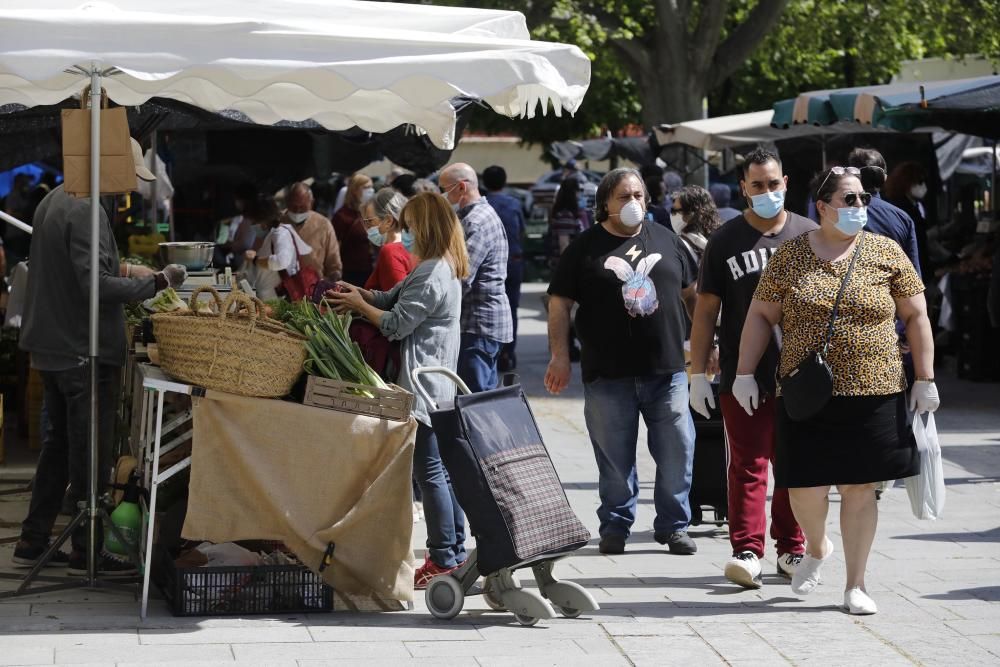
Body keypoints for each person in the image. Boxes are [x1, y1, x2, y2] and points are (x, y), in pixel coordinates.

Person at [734, 166, 939, 615]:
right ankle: (817, 545)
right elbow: (760, 316)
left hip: (876, 389)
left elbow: (917, 316)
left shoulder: (886, 252)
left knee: (860, 486)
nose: (859, 207)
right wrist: (744, 372)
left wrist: (925, 378)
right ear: (822, 207)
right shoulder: (790, 257)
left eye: (864, 199)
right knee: (803, 485)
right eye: (849, 200)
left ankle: (856, 584)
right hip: (807, 392)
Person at [14, 139, 187, 574]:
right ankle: (86, 548)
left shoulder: (57, 197)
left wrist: (126, 270)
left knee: (58, 446)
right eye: (127, 174)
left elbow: (76, 272)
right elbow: (96, 288)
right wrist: (158, 283)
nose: (128, 185)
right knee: (89, 450)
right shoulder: (88, 208)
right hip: (79, 347)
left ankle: (33, 539)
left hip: (54, 345)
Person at [545, 167, 699, 556]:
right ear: (605, 204)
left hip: (667, 371)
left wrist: (705, 342)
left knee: (678, 448)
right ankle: (615, 523)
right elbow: (559, 303)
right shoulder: (584, 248)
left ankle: (674, 525)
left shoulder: (667, 240)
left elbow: (693, 295)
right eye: (624, 197)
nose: (634, 203)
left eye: (639, 196)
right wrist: (559, 357)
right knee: (614, 457)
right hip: (607, 374)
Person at [324, 192, 469, 589]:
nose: (403, 233)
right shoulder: (438, 267)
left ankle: (443, 557)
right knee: (442, 471)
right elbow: (392, 299)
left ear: (424, 227)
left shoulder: (434, 270)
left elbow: (396, 324)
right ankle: (454, 551)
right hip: (436, 382)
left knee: (431, 473)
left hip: (424, 385)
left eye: (408, 226)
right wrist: (361, 296)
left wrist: (361, 305)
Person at [689, 149, 814, 589]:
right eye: (757, 185)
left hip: (801, 375)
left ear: (786, 183)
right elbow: (705, 312)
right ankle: (747, 549)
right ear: (743, 187)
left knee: (796, 465)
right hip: (743, 375)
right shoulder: (725, 240)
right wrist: (697, 373)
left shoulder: (810, 235)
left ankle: (792, 548)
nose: (766, 192)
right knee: (747, 464)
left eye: (773, 183)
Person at [438, 163, 512, 392]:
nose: (442, 196)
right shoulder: (473, 216)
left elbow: (462, 276)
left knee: (474, 402)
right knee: (480, 399)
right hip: (479, 325)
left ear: (461, 187)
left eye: (444, 189)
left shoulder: (475, 222)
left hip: (478, 325)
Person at [847, 149, 922, 278]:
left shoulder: (835, 214)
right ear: (885, 178)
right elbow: (913, 277)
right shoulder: (903, 218)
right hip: (890, 295)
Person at [482, 165, 526, 373]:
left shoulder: (481, 206)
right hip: (513, 261)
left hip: (488, 265)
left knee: (488, 306)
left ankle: (494, 350)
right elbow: (522, 231)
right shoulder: (514, 204)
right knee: (512, 308)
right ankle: (509, 352)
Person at [244, 196, 316, 300]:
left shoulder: (281, 234)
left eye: (253, 222)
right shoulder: (273, 234)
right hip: (269, 297)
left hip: (278, 299)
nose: (252, 226)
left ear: (262, 221)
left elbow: (281, 261)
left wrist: (255, 259)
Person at [283, 182, 343, 283]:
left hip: (313, 288)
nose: (297, 211)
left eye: (302, 207)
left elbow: (334, 263)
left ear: (311, 203)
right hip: (281, 289)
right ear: (287, 203)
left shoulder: (323, 224)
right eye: (294, 207)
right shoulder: (277, 222)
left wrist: (332, 279)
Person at [362, 187, 417, 292]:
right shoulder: (414, 245)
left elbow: (397, 300)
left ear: (388, 221)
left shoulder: (390, 252)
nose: (367, 228)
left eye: (369, 221)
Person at [884, 161, 932, 278]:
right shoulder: (903, 210)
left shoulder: (913, 207)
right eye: (919, 182)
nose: (923, 186)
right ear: (907, 183)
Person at [332, 174, 376, 286]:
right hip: (350, 274)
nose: (370, 190)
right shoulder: (342, 216)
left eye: (371, 187)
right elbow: (334, 247)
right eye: (366, 187)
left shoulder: (369, 212)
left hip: (371, 269)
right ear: (354, 190)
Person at [670, 185, 723, 266]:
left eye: (675, 211)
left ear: (693, 213)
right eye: (672, 210)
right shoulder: (718, 240)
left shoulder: (678, 246)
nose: (672, 215)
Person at [214, 181, 259, 270]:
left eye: (237, 199)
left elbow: (245, 243)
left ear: (243, 200)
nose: (236, 203)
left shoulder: (251, 218)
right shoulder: (245, 218)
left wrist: (230, 245)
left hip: (247, 264)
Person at [548, 177, 588, 262]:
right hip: (567, 269)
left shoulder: (569, 215)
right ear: (573, 193)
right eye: (578, 191)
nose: (579, 194)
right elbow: (564, 246)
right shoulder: (565, 217)